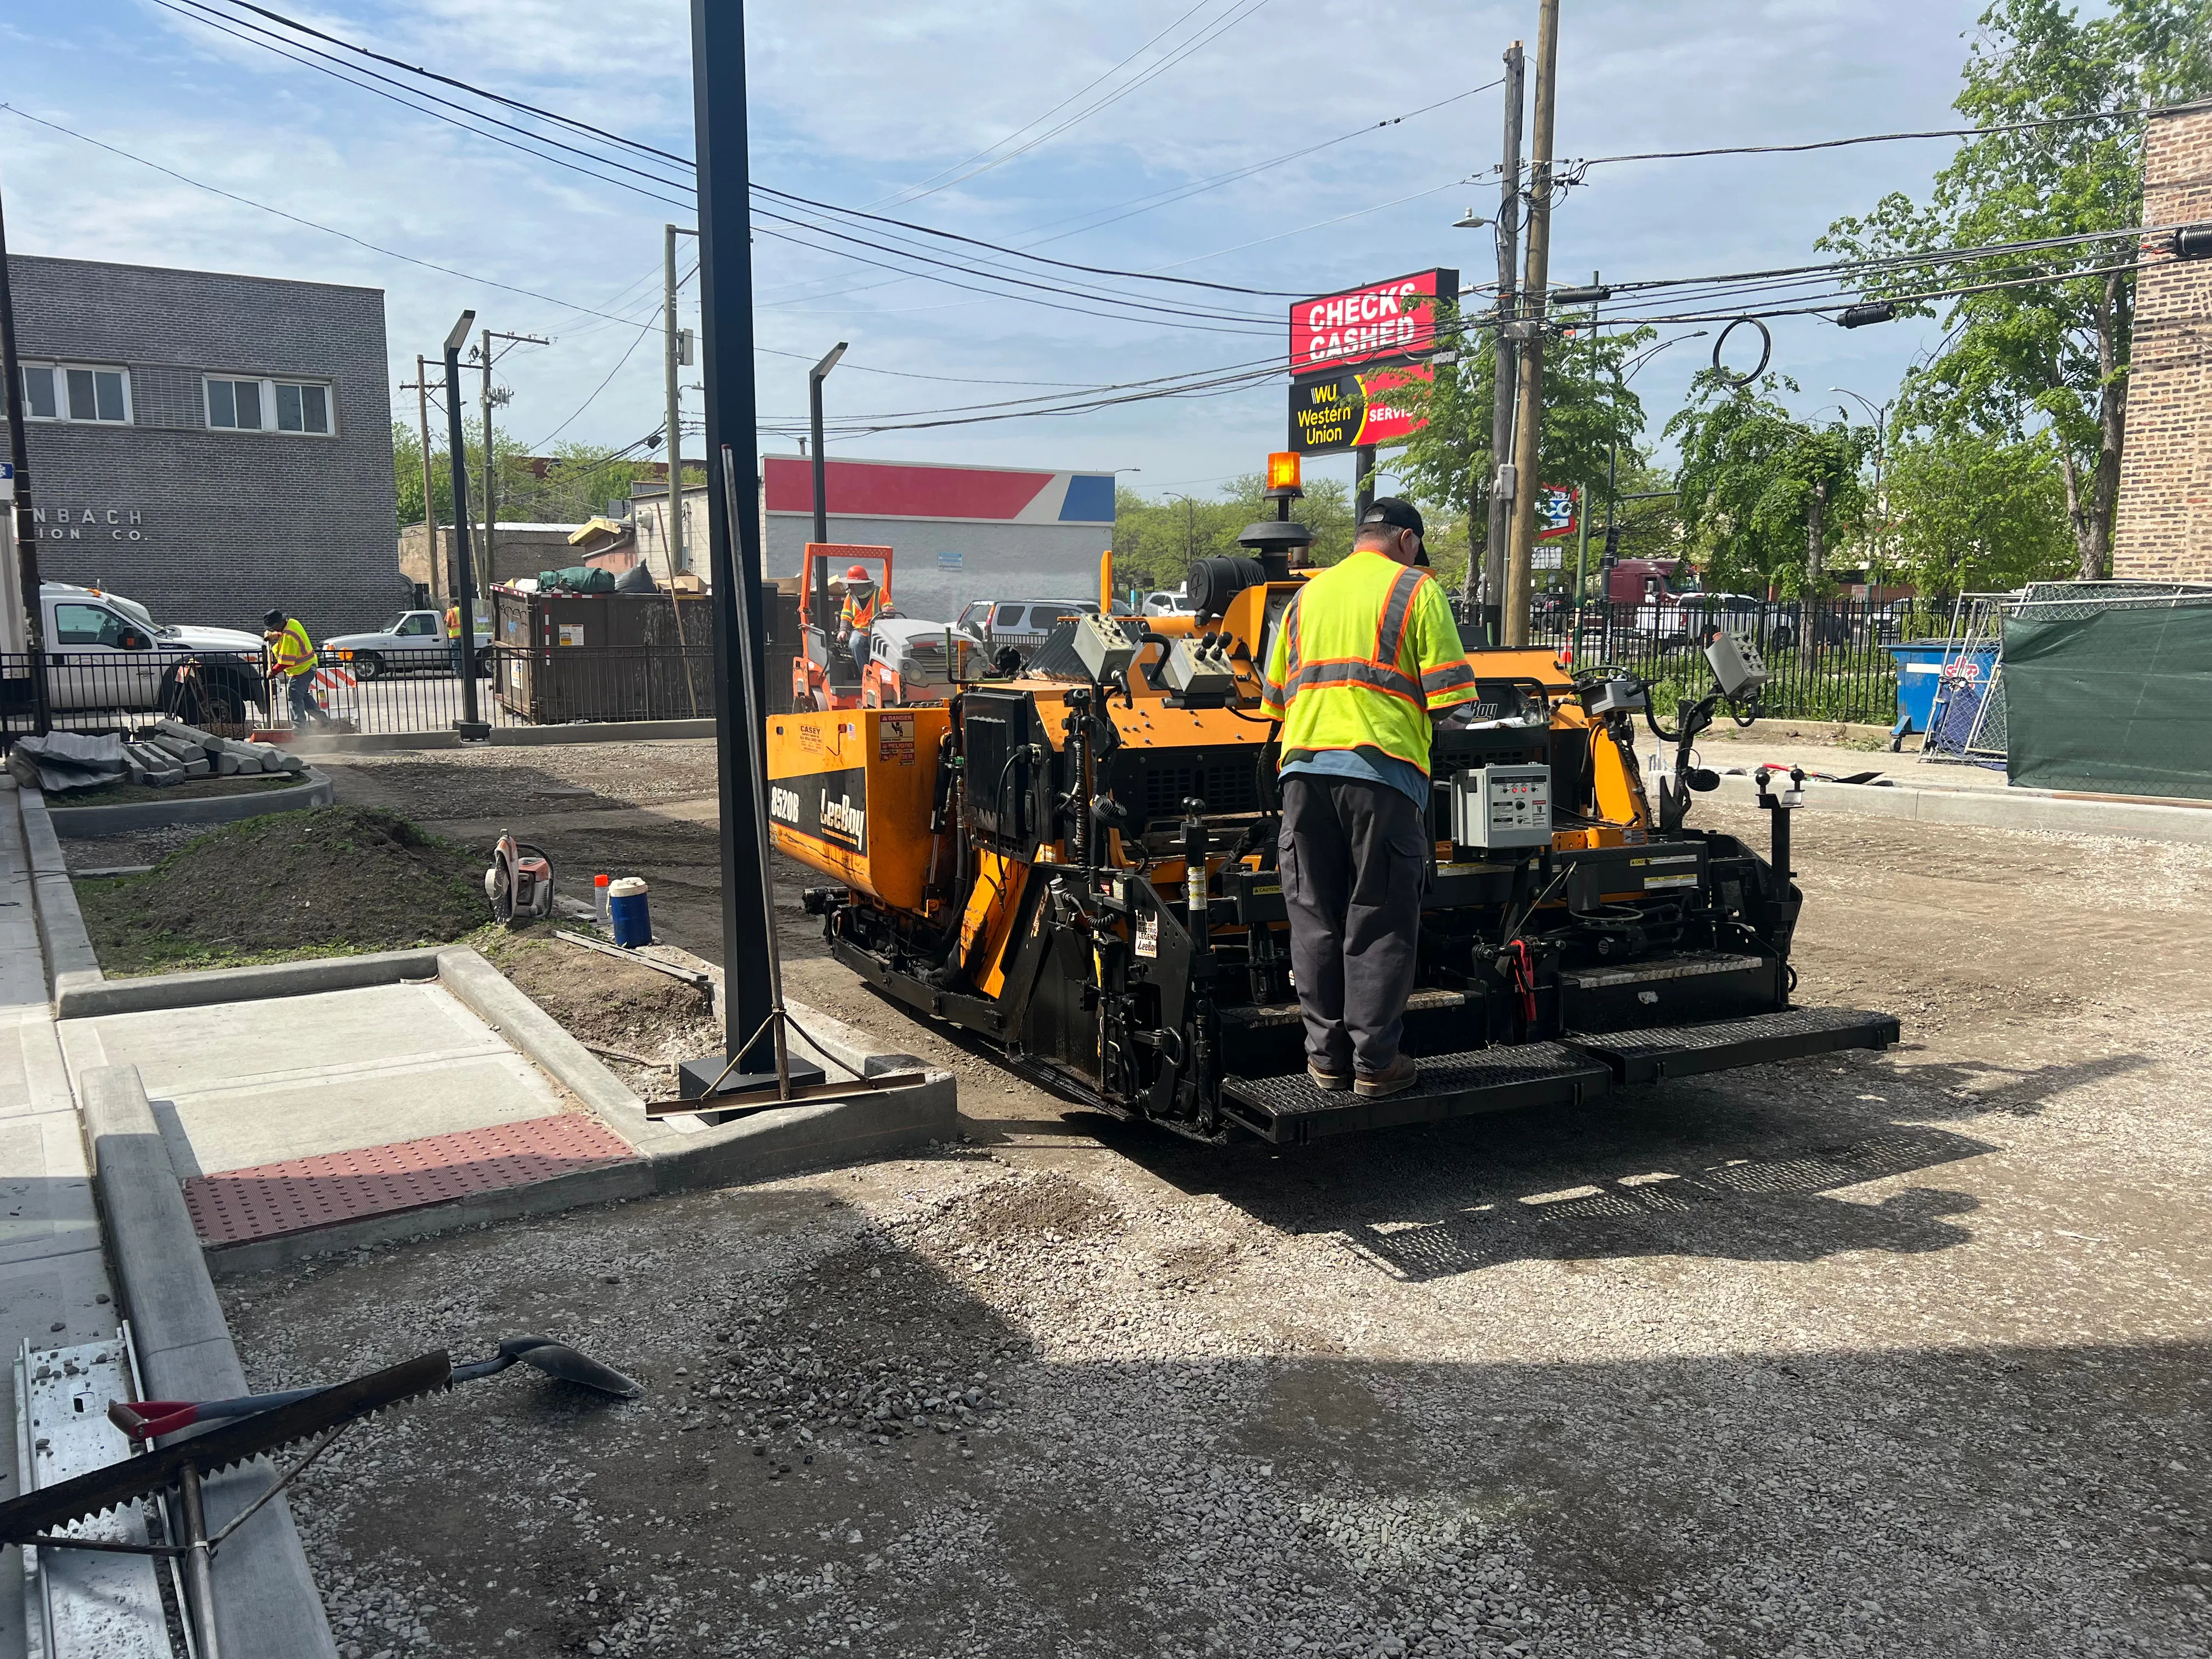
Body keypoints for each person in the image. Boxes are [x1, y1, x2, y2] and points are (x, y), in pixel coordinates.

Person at [1259, 498, 1482, 1098]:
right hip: (1381, 775)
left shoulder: (1306, 598)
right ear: (1406, 541)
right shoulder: (1415, 590)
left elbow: (1275, 700)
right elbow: (1453, 701)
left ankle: (1325, 1060)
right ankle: (1375, 1064)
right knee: (1377, 917)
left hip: (1301, 772)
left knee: (1313, 917)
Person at [263, 607, 330, 727]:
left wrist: (272, 672)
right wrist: (274, 636)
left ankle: (300, 730)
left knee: (294, 697)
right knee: (304, 697)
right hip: (309, 666)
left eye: (274, 627)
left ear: (279, 623)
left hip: (302, 671)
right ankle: (325, 722)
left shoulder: (289, 637)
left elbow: (286, 662)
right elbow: (284, 633)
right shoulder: (293, 622)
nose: (273, 629)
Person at [836, 563, 879, 683]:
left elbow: (890, 610)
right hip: (860, 631)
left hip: (878, 632)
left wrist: (888, 611)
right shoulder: (850, 597)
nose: (850, 586)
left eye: (852, 584)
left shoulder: (880, 593)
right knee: (855, 643)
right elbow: (846, 615)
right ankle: (867, 675)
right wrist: (843, 630)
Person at [444, 598, 464, 678]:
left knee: (455, 657)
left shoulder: (450, 611)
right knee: (465, 656)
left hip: (454, 637)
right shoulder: (463, 610)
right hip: (463, 637)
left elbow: (448, 623)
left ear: (453, 604)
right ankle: (465, 672)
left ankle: (457, 674)